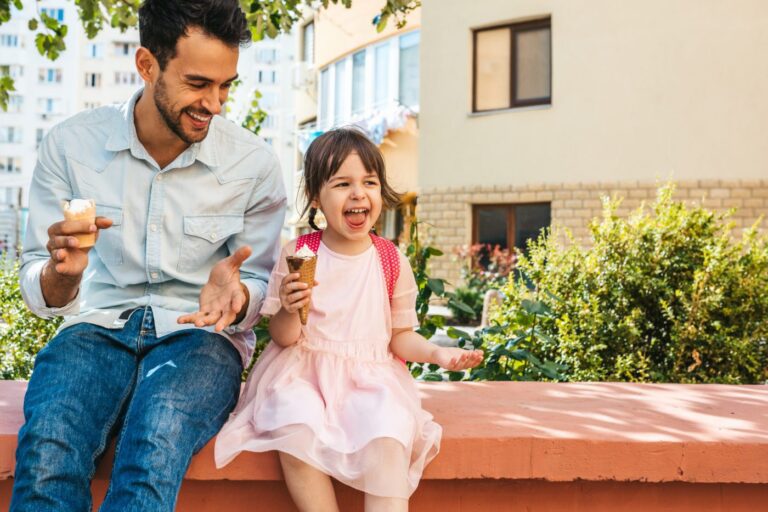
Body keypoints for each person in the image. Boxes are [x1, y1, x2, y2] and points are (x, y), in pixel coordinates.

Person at [11, 1, 286, 510]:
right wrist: (61, 276)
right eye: (198, 83)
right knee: (49, 446)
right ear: (147, 65)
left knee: (156, 439)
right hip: (95, 326)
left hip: (201, 338)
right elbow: (38, 282)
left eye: (226, 86)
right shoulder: (71, 145)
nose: (215, 104)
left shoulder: (254, 165)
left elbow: (257, 281)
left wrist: (239, 297)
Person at [215, 128, 484, 512]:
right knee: (294, 430)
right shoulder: (299, 254)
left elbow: (400, 336)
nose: (358, 193)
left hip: (369, 379)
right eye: (342, 184)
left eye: (369, 182)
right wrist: (290, 308)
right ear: (316, 196)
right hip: (302, 375)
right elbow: (283, 337)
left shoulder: (390, 260)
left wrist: (437, 354)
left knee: (388, 436)